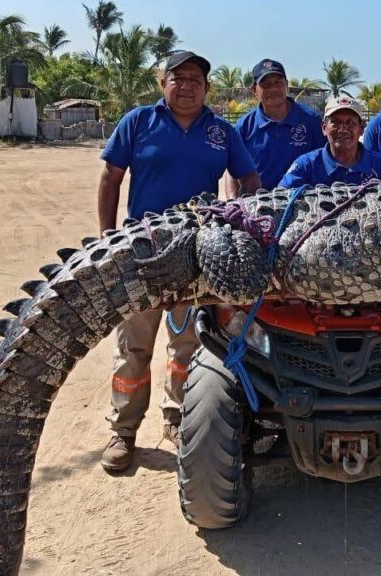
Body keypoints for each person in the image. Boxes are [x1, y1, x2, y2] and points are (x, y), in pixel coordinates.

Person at [96, 50, 261, 472]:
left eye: (195, 79)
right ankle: (124, 430)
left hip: (196, 251)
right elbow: (111, 177)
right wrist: (107, 236)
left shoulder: (222, 132)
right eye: (178, 77)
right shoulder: (138, 122)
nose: (186, 85)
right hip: (142, 252)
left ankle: (177, 418)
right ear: (162, 83)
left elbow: (250, 179)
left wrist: (237, 218)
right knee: (133, 345)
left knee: (189, 344)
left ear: (207, 89)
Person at [232, 58, 326, 193]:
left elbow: (325, 161)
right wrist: (232, 200)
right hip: (258, 204)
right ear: (254, 89)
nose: (273, 88)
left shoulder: (311, 120)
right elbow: (233, 169)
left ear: (286, 85)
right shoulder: (244, 126)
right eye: (266, 84)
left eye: (278, 82)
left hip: (303, 202)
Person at [279, 96, 381, 187]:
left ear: (361, 128)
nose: (343, 129)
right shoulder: (305, 166)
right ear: (324, 128)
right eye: (336, 122)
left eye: (350, 122)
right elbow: (279, 200)